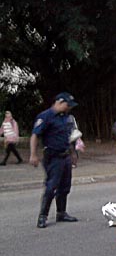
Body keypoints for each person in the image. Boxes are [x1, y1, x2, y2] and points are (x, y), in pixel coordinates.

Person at [30, 92, 79, 228]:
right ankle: (43, 216)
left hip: (65, 156)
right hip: (53, 157)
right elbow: (35, 135)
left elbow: (69, 137)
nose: (69, 108)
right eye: (67, 105)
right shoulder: (45, 117)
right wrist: (33, 154)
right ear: (59, 102)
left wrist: (73, 154)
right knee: (51, 187)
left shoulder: (66, 118)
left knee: (65, 186)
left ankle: (61, 213)